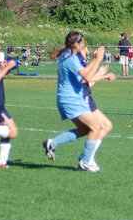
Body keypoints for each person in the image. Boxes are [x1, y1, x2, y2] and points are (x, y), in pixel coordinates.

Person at [42, 31, 113, 172]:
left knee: (84, 130)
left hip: (68, 98)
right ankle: (85, 162)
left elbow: (84, 74)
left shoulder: (66, 55)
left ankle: (52, 143)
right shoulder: (72, 59)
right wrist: (97, 60)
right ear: (76, 44)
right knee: (96, 128)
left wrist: (98, 71)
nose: (84, 45)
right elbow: (87, 77)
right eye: (83, 43)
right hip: (71, 99)